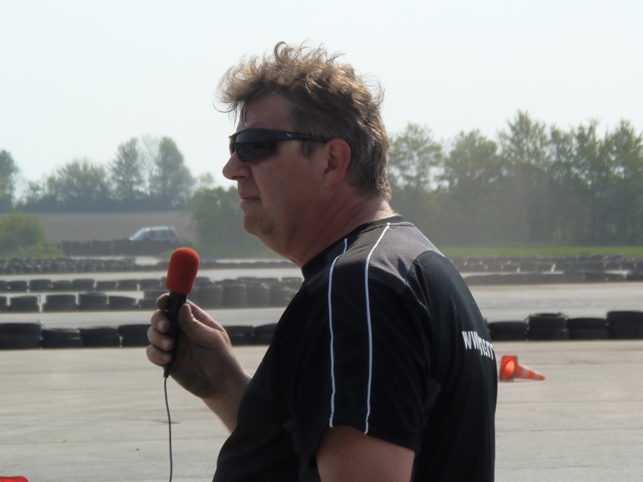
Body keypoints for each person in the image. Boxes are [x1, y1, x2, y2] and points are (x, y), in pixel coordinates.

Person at [147, 42, 497, 481]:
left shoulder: (361, 287)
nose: (231, 168)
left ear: (332, 161)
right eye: (235, 146)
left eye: (256, 146)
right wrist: (225, 386)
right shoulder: (414, 265)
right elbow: (311, 461)